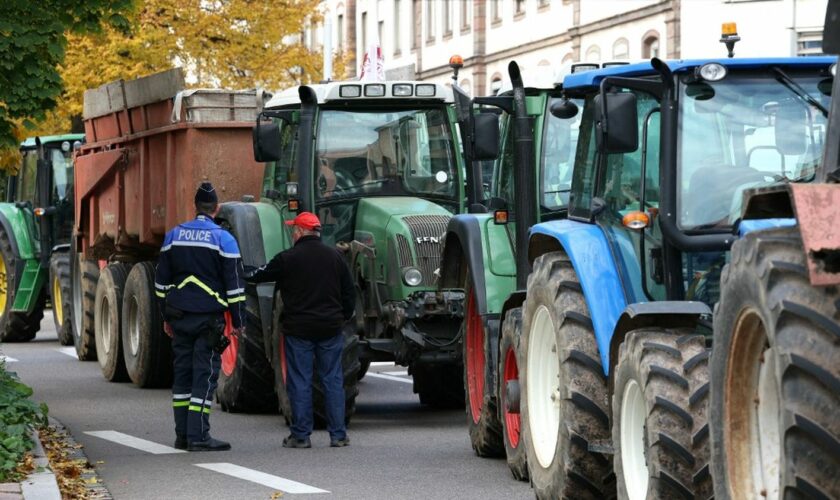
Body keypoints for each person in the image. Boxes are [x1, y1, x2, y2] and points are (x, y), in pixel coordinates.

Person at [246, 211, 354, 448]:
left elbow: (258, 275)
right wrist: (342, 318)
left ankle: (301, 436)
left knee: (300, 381)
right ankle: (338, 435)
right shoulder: (336, 257)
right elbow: (349, 293)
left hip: (299, 330)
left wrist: (239, 270)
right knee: (333, 380)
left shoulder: (287, 258)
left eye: (294, 229)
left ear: (299, 232)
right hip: (330, 328)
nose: (292, 232)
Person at [154, 182, 245, 452]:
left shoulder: (173, 236)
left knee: (182, 377)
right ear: (216, 208)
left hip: (180, 317)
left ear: (195, 207)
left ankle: (182, 435)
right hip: (208, 320)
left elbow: (160, 284)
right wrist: (239, 322)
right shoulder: (224, 239)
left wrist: (166, 317)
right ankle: (199, 437)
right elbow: (236, 288)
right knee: (204, 376)